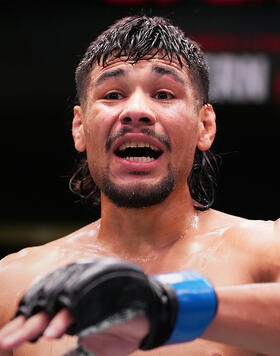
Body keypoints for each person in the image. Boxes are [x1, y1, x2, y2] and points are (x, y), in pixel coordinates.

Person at [0, 14, 279, 356]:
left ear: (205, 126)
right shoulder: (14, 282)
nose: (136, 110)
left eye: (163, 94)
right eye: (113, 94)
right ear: (79, 127)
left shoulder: (265, 252)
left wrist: (167, 307)